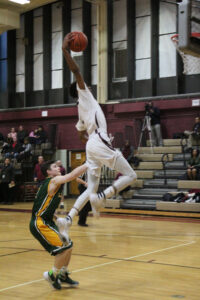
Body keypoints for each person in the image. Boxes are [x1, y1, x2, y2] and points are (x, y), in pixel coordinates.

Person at [62, 33, 137, 227]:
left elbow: (80, 134)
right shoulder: (84, 94)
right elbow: (76, 71)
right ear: (82, 88)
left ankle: (68, 219)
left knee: (90, 191)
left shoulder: (81, 107)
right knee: (131, 176)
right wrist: (65, 50)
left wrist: (91, 139)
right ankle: (105, 195)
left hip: (91, 145)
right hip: (97, 140)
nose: (86, 85)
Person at [29, 160, 87, 290]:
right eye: (55, 167)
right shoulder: (53, 181)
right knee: (65, 247)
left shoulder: (52, 184)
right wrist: (89, 164)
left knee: (69, 246)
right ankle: (51, 274)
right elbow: (71, 176)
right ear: (48, 172)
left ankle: (62, 275)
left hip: (47, 220)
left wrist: (56, 217)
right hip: (40, 223)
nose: (58, 167)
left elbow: (43, 205)